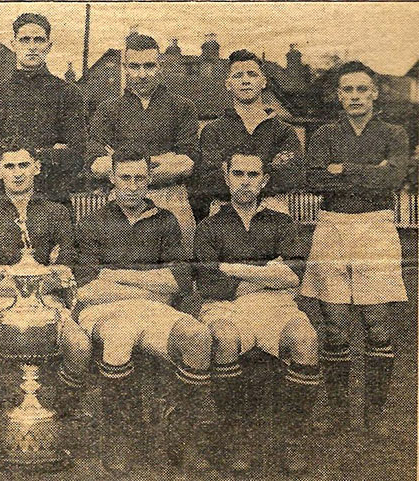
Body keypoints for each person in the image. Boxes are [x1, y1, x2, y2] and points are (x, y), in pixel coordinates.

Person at [0, 144, 91, 459]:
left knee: (80, 347)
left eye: (23, 165)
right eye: (9, 166)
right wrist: (32, 273)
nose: (17, 172)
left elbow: (66, 262)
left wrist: (14, 274)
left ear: (36, 168)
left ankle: (61, 419)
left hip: (48, 303)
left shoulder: (57, 212)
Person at [75, 144, 211, 474]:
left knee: (198, 335)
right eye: (126, 178)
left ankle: (183, 439)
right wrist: (149, 281)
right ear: (112, 179)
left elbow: (178, 282)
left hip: (153, 309)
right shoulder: (92, 222)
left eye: (140, 178)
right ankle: (121, 437)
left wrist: (117, 275)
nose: (133, 185)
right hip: (106, 311)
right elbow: (88, 289)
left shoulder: (165, 220)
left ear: (150, 179)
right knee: (119, 336)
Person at [194, 147, 320, 474]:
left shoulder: (282, 222)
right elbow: (207, 283)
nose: (246, 182)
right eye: (238, 174)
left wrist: (231, 268)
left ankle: (292, 436)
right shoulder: (210, 226)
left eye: (253, 175)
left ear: (264, 180)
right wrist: (267, 273)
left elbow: (293, 275)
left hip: (275, 305)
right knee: (223, 337)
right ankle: (237, 434)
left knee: (305, 338)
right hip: (225, 305)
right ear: (226, 177)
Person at [301, 61, 409, 438]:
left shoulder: (394, 133)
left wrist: (340, 169)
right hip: (332, 227)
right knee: (334, 328)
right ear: (338, 95)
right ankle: (338, 410)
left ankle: (375, 415)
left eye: (362, 90)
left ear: (375, 93)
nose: (355, 97)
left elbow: (394, 176)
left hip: (376, 228)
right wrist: (367, 170)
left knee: (377, 326)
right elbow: (313, 177)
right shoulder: (325, 132)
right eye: (347, 90)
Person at [86, 32, 198, 253]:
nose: (142, 74)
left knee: (177, 275)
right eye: (134, 67)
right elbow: (95, 164)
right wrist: (162, 160)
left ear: (160, 66)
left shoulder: (183, 107)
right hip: (121, 202)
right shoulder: (108, 110)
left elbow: (187, 163)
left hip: (171, 199)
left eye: (149, 66)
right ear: (125, 67)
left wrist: (122, 162)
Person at [0, 13, 87, 203]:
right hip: (2, 201)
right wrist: (49, 152)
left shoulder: (68, 93)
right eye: (25, 40)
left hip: (52, 200)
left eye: (39, 40)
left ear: (48, 46)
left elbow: (76, 156)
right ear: (14, 44)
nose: (32, 47)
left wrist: (12, 161)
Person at [197, 49, 304, 219]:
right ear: (228, 84)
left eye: (252, 74)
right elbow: (210, 181)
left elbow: (292, 177)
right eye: (238, 75)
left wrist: (233, 171)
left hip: (272, 209)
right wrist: (269, 167)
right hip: (226, 212)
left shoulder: (284, 131)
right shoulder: (213, 130)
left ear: (263, 82)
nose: (245, 80)